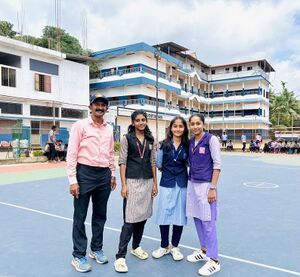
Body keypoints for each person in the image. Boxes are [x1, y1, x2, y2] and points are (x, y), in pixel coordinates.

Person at [67, 93, 116, 273]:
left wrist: (112, 174)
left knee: (100, 215)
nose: (100, 107)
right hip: (84, 173)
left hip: (103, 174)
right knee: (80, 216)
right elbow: (71, 153)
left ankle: (96, 249)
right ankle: (79, 255)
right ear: (90, 106)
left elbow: (111, 153)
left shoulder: (109, 128)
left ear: (106, 108)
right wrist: (73, 180)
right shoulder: (80, 126)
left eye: (103, 104)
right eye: (97, 104)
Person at [114, 110, 157, 273]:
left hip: (147, 182)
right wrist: (124, 185)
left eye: (143, 120)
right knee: (130, 220)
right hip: (131, 182)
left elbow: (153, 162)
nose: (141, 122)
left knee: (143, 217)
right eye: (137, 120)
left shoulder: (151, 140)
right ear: (133, 122)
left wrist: (155, 184)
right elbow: (122, 162)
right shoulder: (126, 139)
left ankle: (136, 246)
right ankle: (120, 256)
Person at [186, 114, 221, 276]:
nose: (195, 127)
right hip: (192, 184)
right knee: (197, 218)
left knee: (208, 221)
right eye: (192, 124)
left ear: (203, 124)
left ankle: (214, 260)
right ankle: (204, 249)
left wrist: (213, 187)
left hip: (206, 185)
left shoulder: (211, 139)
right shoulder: (191, 142)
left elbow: (217, 164)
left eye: (198, 123)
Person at [152, 116, 189, 261]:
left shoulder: (188, 145)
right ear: (171, 128)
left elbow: (189, 163)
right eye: (175, 126)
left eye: (181, 126)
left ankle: (175, 246)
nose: (178, 129)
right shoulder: (162, 145)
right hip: (167, 182)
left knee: (179, 216)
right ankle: (163, 246)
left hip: (182, 183)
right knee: (164, 215)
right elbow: (159, 164)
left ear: (184, 128)